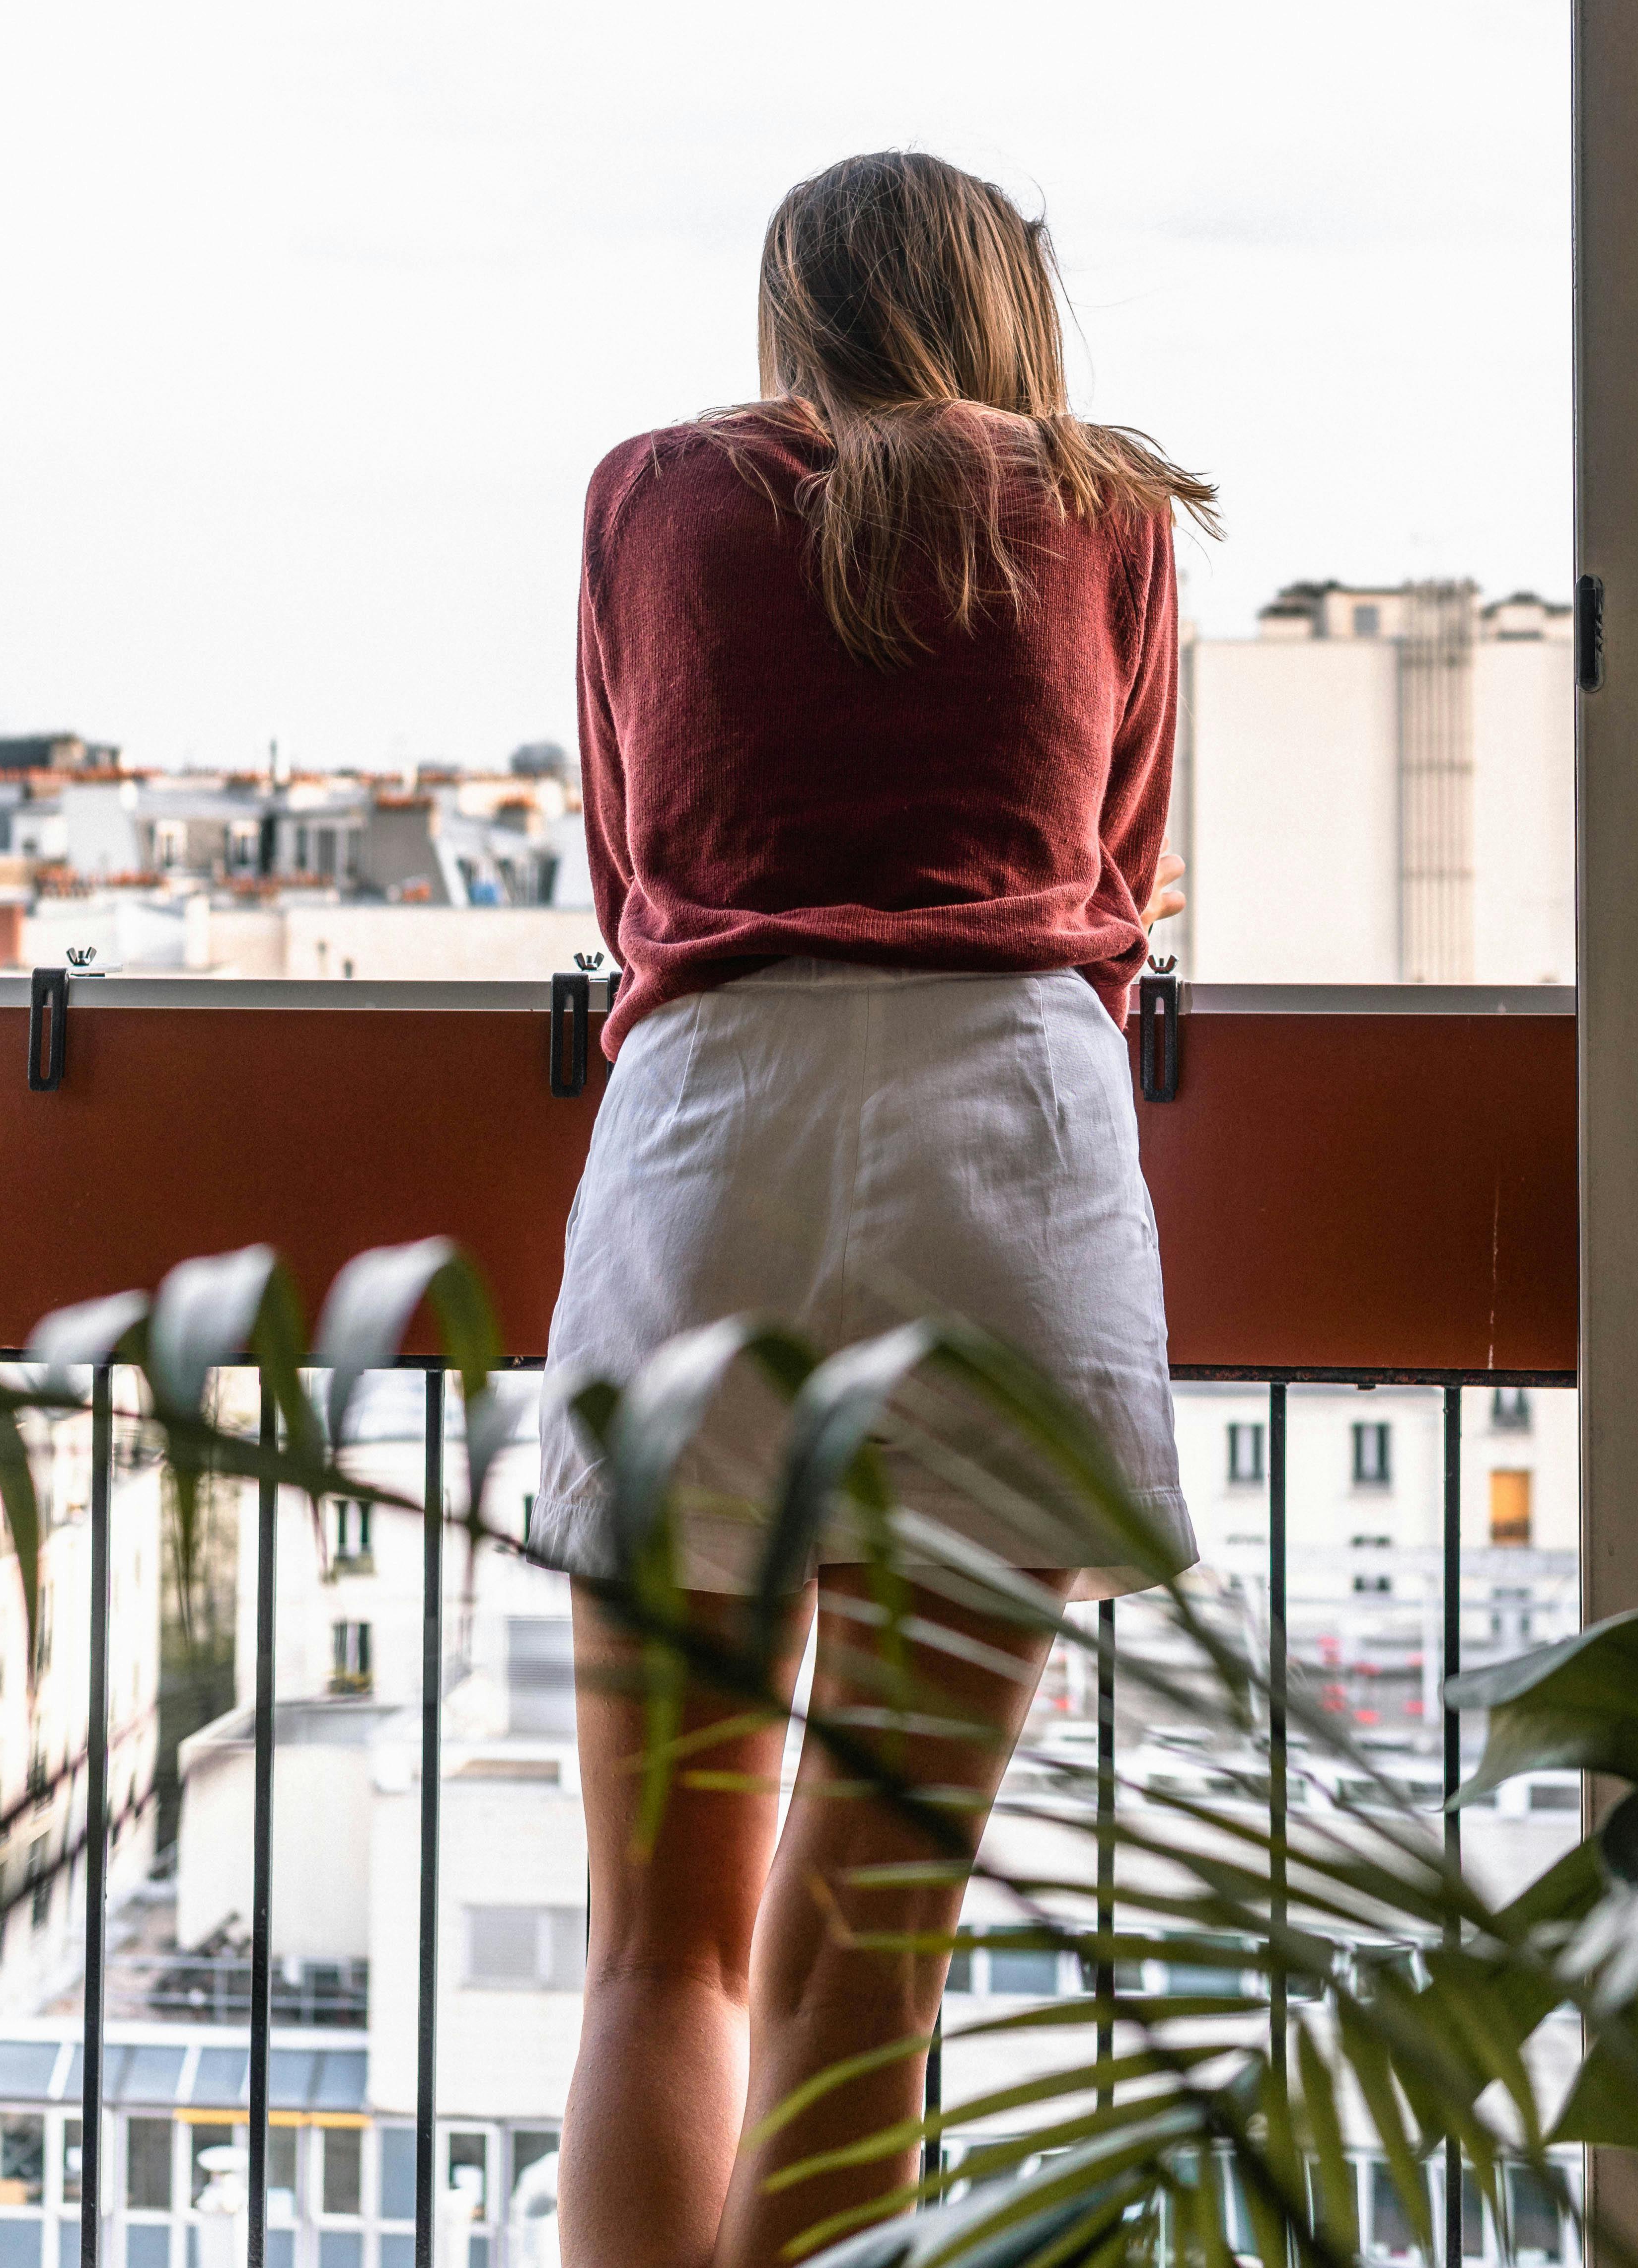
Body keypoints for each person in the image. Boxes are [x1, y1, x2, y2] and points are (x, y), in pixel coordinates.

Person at [530, 149, 1219, 2268]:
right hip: (1002, 1156)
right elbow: (1115, 882)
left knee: (667, 1952)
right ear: (1004, 308)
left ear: (789, 313)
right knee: (866, 1963)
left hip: (708, 1139)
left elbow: (632, 855)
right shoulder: (1107, 509)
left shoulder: (649, 491)